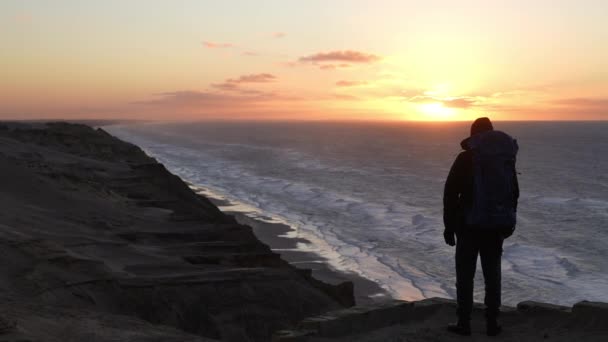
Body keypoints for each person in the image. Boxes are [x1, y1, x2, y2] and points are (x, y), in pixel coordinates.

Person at [443, 117, 519, 336]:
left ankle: (464, 323)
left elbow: (450, 193)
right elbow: (513, 191)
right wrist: (509, 221)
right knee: (492, 275)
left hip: (468, 226)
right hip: (496, 226)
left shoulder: (466, 158)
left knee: (465, 276)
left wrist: (449, 226)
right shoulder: (505, 160)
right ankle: (492, 323)